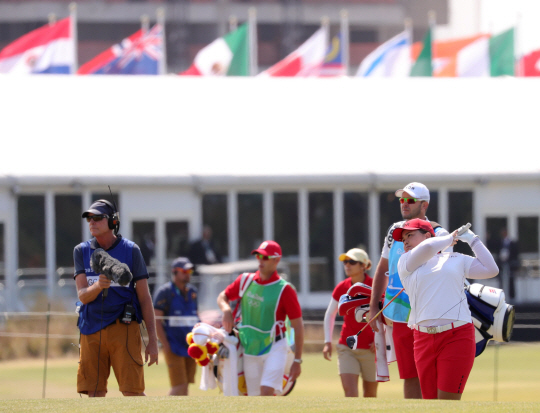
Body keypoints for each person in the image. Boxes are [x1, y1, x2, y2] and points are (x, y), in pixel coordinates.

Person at [394, 218, 498, 399]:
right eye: (403, 240)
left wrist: (473, 240)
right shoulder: (405, 261)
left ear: (427, 235)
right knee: (430, 403)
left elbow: (491, 269)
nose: (406, 242)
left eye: (410, 235)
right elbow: (427, 248)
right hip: (422, 339)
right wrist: (450, 238)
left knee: (447, 404)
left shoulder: (456, 259)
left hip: (457, 336)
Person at [367, 182, 450, 399]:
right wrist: (373, 303)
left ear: (424, 205)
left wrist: (430, 230)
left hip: (431, 314)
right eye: (402, 199)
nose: (404, 204)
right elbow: (383, 266)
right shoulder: (394, 230)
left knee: (434, 374)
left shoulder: (439, 232)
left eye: (410, 200)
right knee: (410, 375)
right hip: (401, 315)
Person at [73, 199, 159, 397]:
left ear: (113, 221)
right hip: (90, 329)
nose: (91, 222)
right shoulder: (81, 251)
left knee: (133, 394)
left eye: (97, 218)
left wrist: (152, 340)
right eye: (89, 218)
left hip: (124, 327)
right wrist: (98, 286)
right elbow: (82, 296)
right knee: (94, 395)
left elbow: (145, 298)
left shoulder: (131, 250)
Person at [217, 240, 304, 396]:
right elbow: (223, 296)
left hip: (275, 347)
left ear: (276, 260)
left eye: (265, 257)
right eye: (258, 256)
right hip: (250, 348)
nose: (260, 260)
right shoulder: (245, 280)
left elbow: (298, 326)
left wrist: (297, 361)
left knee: (266, 392)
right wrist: (226, 310)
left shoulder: (285, 289)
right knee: (254, 398)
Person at [323, 248, 378, 398]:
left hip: (371, 349)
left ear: (364, 266)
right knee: (350, 394)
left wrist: (379, 339)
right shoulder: (342, 287)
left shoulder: (375, 286)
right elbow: (330, 315)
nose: (347, 265)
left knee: (370, 395)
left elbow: (385, 315)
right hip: (347, 348)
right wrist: (327, 341)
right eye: (345, 262)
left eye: (352, 262)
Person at [153, 257, 199, 395]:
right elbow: (156, 320)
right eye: (184, 270)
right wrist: (166, 345)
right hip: (173, 345)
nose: (188, 273)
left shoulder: (193, 292)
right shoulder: (165, 292)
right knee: (179, 385)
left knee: (186, 386)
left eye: (189, 270)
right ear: (174, 272)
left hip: (191, 346)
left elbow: (195, 316)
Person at [498, 228, 519, 300]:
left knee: (511, 279)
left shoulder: (512, 243)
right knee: (501, 280)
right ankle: (501, 296)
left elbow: (515, 253)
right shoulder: (500, 242)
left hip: (510, 264)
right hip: (502, 264)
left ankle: (512, 296)